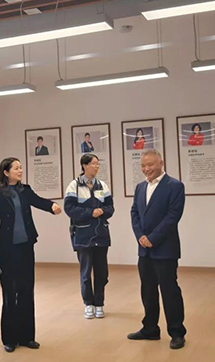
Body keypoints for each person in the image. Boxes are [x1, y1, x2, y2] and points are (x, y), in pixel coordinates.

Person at [0, 157, 62, 353]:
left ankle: (27, 337)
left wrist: (52, 206)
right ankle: (9, 338)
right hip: (6, 249)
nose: (20, 171)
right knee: (10, 293)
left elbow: (38, 201)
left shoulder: (25, 190)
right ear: (6, 172)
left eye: (21, 168)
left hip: (26, 247)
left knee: (27, 290)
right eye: (16, 168)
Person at [128, 149, 187, 350]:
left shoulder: (175, 186)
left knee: (170, 292)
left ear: (161, 163)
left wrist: (152, 238)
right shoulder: (140, 187)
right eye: (143, 166)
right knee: (147, 290)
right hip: (144, 250)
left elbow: (173, 216)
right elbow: (134, 213)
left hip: (165, 249)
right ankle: (150, 329)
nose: (146, 169)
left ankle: (177, 332)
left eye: (150, 165)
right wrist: (140, 236)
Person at [64, 154, 114, 319]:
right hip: (83, 235)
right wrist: (90, 212)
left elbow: (110, 207)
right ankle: (88, 304)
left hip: (101, 234)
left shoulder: (102, 185)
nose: (97, 166)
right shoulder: (74, 185)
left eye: (98, 164)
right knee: (85, 273)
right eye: (93, 164)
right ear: (84, 166)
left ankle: (99, 303)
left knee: (102, 272)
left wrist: (102, 211)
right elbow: (69, 209)